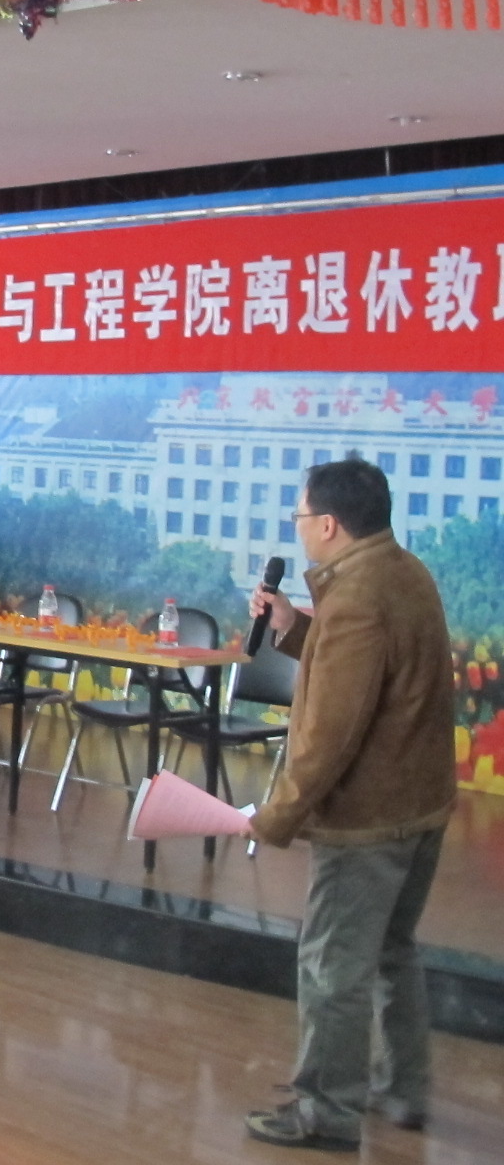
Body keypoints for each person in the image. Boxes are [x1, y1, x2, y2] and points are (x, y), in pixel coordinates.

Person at [244, 459, 455, 1153]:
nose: (299, 528)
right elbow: (368, 670)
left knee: (331, 965)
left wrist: (277, 815)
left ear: (329, 524)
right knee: (392, 950)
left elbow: (332, 730)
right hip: (420, 805)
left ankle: (326, 1111)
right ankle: (404, 1089)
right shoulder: (403, 572)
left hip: (367, 818)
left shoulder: (356, 596)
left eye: (301, 516)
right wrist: (292, 626)